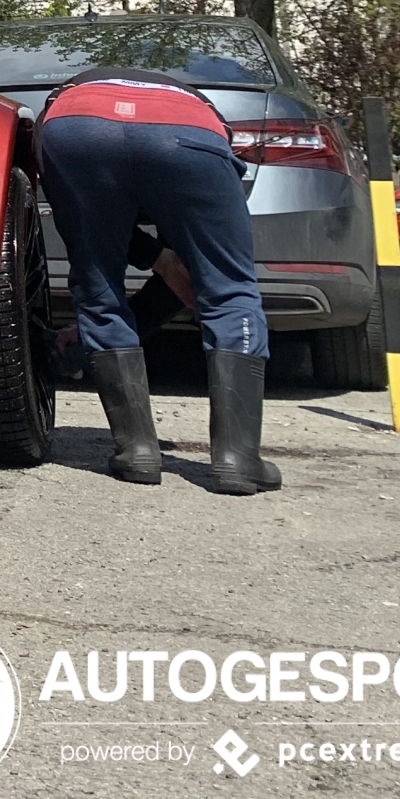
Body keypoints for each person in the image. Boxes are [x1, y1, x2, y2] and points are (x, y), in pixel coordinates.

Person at [38, 65, 280, 496]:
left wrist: (155, 263)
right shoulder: (201, 111)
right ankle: (237, 461)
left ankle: (137, 452)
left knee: (98, 288)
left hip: (76, 124)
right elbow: (197, 278)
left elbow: (89, 223)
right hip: (184, 133)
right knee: (231, 289)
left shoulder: (72, 96)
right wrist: (162, 258)